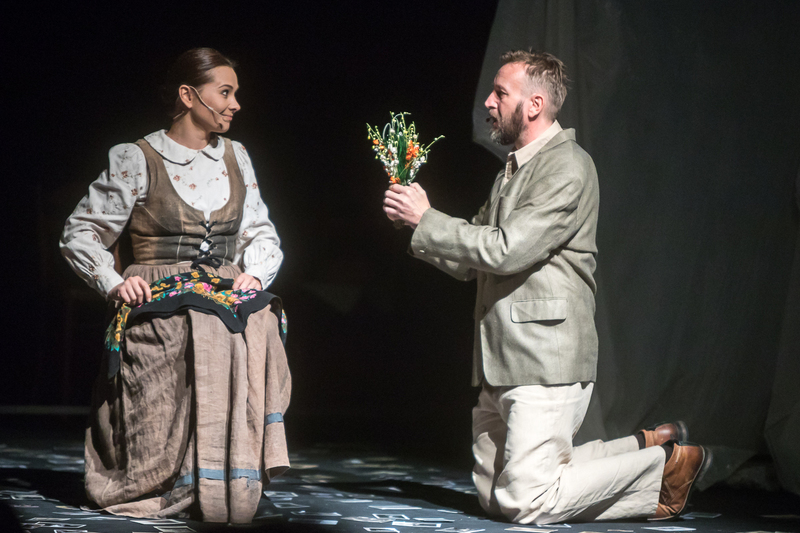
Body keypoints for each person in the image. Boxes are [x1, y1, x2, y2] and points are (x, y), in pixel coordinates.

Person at [383, 50, 706, 524]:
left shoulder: (567, 167)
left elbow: (506, 250)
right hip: (502, 357)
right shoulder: (512, 170)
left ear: (534, 105)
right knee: (494, 496)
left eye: (500, 93)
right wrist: (416, 229)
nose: (488, 102)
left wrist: (428, 219)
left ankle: (664, 468)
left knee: (525, 499)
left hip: (543, 356)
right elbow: (474, 261)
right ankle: (640, 446)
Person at [60, 48, 291, 523]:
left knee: (261, 317)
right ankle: (169, 479)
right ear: (188, 96)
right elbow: (80, 232)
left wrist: (254, 272)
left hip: (221, 287)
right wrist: (112, 282)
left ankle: (224, 479)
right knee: (195, 325)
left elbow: (260, 231)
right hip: (158, 287)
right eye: (224, 93)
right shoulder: (136, 158)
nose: (235, 104)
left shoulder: (236, 156)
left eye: (235, 93)